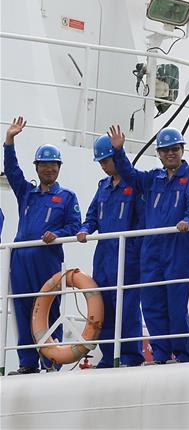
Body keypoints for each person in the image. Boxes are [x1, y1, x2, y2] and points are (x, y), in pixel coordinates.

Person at [109, 125, 189, 364]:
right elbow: (129, 174)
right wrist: (119, 151)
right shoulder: (152, 179)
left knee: (176, 304)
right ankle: (161, 354)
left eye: (175, 149)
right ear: (159, 153)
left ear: (182, 150)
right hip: (151, 249)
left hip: (177, 248)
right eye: (165, 150)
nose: (170, 153)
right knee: (151, 304)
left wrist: (188, 220)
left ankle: (182, 355)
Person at [4, 116, 81, 375]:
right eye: (43, 165)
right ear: (36, 168)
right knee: (24, 310)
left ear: (59, 168)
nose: (48, 169)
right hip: (21, 260)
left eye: (53, 165)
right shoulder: (27, 193)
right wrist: (10, 141)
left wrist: (56, 233)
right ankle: (27, 363)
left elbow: (74, 225)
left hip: (47, 260)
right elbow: (12, 171)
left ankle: (51, 361)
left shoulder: (67, 197)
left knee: (49, 309)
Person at [76, 135, 145, 367]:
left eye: (107, 160)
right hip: (104, 255)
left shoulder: (133, 185)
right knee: (104, 305)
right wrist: (85, 229)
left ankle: (129, 355)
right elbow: (92, 215)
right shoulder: (103, 187)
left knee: (127, 308)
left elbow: (141, 220)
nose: (105, 165)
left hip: (127, 254)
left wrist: (134, 248)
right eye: (102, 162)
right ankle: (109, 354)